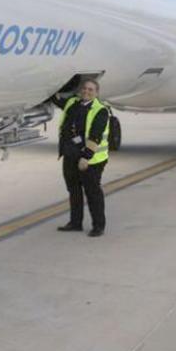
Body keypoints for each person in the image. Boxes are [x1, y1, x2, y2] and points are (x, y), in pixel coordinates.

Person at [56, 79, 111, 237]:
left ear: (96, 93)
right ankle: (75, 222)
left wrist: (86, 157)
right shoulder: (73, 103)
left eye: (91, 89)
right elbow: (56, 98)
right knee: (73, 191)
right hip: (70, 155)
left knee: (92, 192)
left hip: (91, 159)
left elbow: (95, 136)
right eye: (84, 88)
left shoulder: (100, 110)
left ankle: (98, 225)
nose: (86, 91)